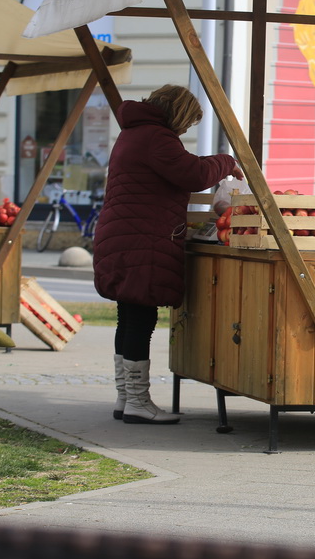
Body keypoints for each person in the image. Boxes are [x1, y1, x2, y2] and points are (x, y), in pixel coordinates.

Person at [93, 85, 242, 425]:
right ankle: (138, 402)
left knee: (128, 316)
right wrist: (228, 162)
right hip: (141, 238)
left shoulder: (133, 133)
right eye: (188, 123)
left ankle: (126, 397)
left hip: (123, 234)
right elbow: (193, 173)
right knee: (141, 319)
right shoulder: (156, 137)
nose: (185, 130)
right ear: (178, 113)